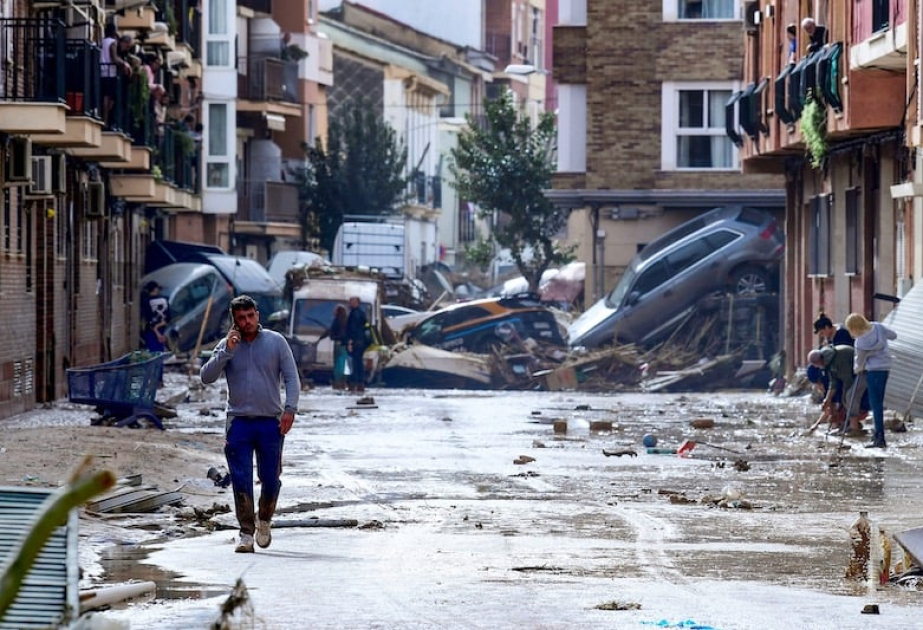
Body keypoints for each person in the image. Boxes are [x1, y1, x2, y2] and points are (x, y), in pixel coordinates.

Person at [200, 295, 300, 553]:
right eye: (241, 318)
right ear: (234, 321)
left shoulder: (276, 342)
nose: (247, 322)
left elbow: (291, 377)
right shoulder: (227, 345)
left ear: (257, 315)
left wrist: (290, 409)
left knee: (270, 478)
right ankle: (245, 532)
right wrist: (227, 351)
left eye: (250, 316)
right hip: (239, 422)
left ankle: (264, 519)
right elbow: (206, 377)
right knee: (241, 478)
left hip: (271, 422)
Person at [845, 313, 897, 449]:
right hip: (885, 368)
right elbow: (893, 336)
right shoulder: (878, 327)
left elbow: (859, 364)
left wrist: (858, 368)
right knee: (879, 402)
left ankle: (879, 437)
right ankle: (877, 435)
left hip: (873, 371)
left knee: (876, 405)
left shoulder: (860, 342)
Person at [807, 345, 869, 436]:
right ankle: (849, 426)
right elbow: (833, 382)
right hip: (852, 376)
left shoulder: (838, 358)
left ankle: (854, 428)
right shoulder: (828, 363)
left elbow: (847, 380)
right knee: (845, 399)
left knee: (849, 397)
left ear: (819, 361)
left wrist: (844, 397)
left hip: (863, 372)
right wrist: (827, 399)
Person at [100, 26, 132, 127]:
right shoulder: (113, 42)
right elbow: (114, 58)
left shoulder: (102, 41)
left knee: (107, 97)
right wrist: (124, 64)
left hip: (102, 71)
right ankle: (106, 121)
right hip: (109, 73)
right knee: (109, 98)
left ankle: (105, 120)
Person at [320, 304, 349, 390]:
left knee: (338, 363)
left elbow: (331, 330)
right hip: (344, 344)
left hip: (338, 343)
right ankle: (343, 381)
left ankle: (337, 381)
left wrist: (323, 337)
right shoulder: (346, 320)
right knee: (342, 363)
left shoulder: (337, 321)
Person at [345, 296, 369, 393]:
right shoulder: (362, 313)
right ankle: (360, 383)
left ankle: (355, 383)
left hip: (356, 342)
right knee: (358, 363)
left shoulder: (354, 314)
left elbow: (353, 328)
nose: (350, 303)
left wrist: (350, 340)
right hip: (361, 341)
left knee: (355, 363)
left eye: (352, 302)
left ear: (357, 303)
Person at [141, 281, 170, 352]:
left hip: (151, 332)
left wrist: (156, 332)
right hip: (162, 329)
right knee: (160, 352)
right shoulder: (165, 299)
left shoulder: (146, 302)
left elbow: (148, 319)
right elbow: (168, 317)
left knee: (153, 352)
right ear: (156, 289)